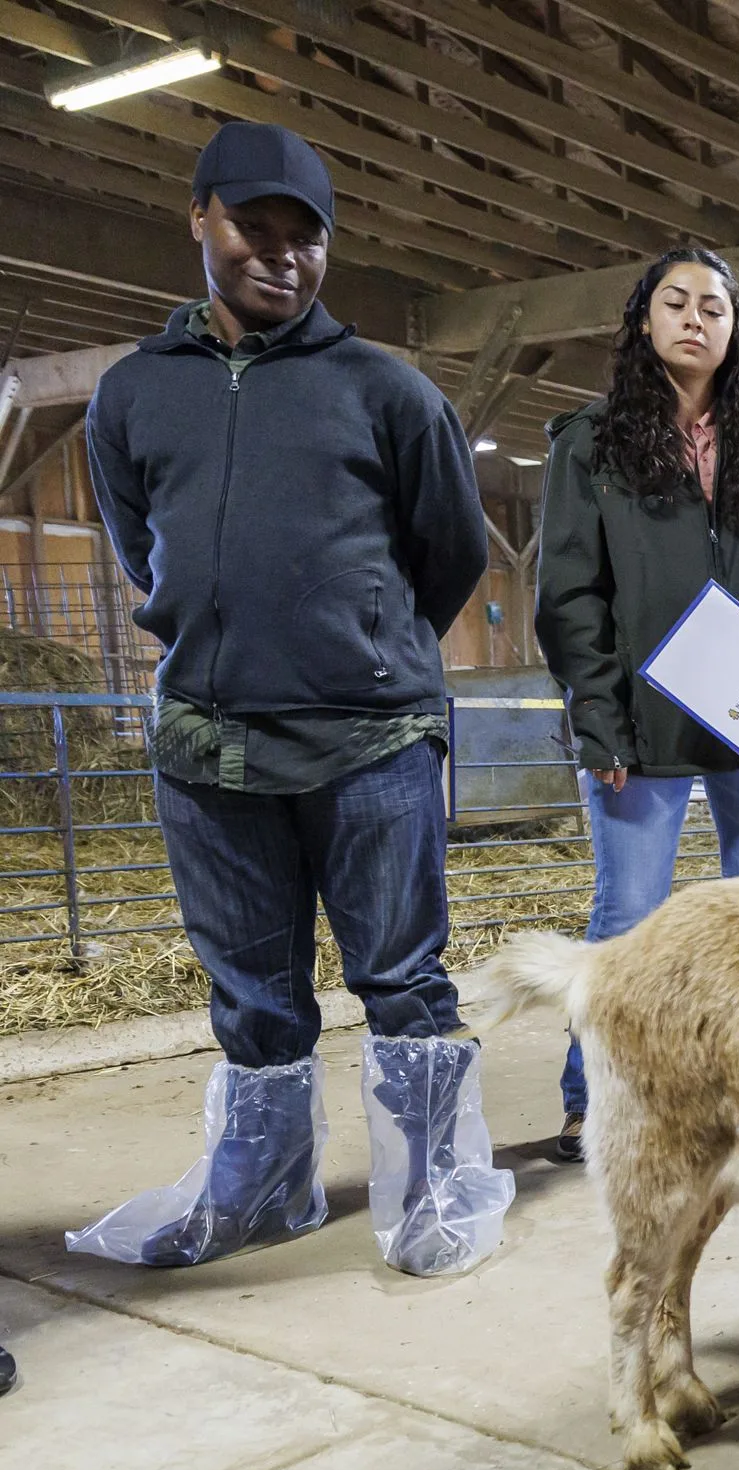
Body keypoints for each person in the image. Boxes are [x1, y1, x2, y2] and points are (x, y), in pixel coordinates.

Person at [77, 121, 513, 1278]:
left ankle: (431, 1195)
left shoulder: (386, 389)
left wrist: (359, 643)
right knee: (251, 993)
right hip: (208, 743)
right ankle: (260, 1192)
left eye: (303, 237)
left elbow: (450, 554)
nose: (280, 255)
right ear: (199, 221)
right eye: (252, 228)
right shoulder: (130, 396)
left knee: (401, 978)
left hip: (370, 738)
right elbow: (143, 549)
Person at [536, 246, 739, 1162]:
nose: (696, 319)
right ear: (643, 321)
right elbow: (569, 596)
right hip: (643, 724)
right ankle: (599, 1100)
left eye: (715, 307)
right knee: (629, 916)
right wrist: (598, 718)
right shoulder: (588, 446)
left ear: (736, 329)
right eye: (676, 302)